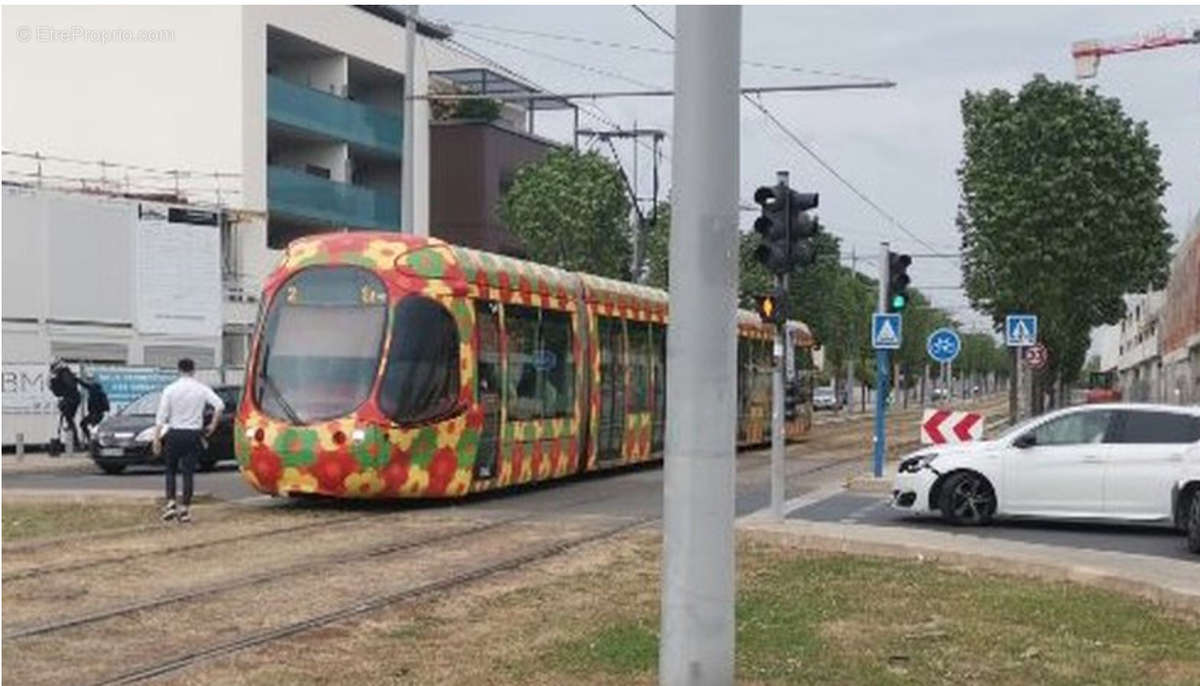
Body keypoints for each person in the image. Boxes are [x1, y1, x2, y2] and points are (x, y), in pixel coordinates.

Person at [152, 358, 223, 523]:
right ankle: (185, 508)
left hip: (175, 432)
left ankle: (170, 503)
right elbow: (219, 405)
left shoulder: (170, 389)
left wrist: (156, 439)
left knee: (170, 469)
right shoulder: (201, 388)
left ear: (179, 370)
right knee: (188, 472)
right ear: (193, 370)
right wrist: (212, 425)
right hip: (193, 434)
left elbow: (161, 416)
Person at [48, 359, 82, 451]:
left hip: (71, 399)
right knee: (68, 419)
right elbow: (59, 392)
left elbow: (69, 387)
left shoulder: (64, 373)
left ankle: (75, 442)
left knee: (69, 419)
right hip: (71, 398)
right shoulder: (63, 374)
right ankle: (74, 441)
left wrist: (55, 384)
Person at [78, 374, 110, 444]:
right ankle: (91, 440)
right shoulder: (97, 390)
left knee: (91, 426)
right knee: (85, 424)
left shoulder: (95, 390)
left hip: (96, 413)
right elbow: (85, 385)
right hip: (95, 413)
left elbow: (86, 385)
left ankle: (93, 442)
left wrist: (78, 380)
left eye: (90, 380)